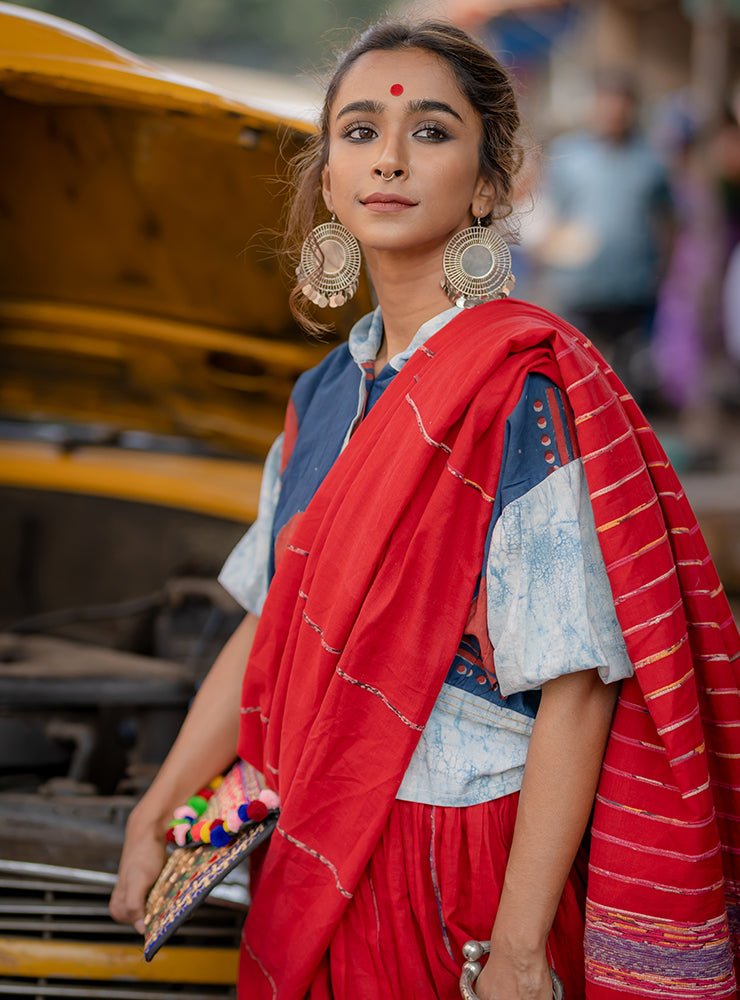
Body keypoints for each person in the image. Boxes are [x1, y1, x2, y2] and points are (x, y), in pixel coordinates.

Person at [110, 21, 740, 1000]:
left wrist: (520, 951)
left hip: (452, 859)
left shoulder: (515, 392)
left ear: (491, 184)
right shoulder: (323, 393)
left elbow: (575, 687)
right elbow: (269, 628)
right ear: (327, 180)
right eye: (358, 132)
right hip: (309, 829)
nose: (389, 157)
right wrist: (156, 812)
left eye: (431, 132)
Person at [538, 71, 674, 403]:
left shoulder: (650, 161)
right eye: (607, 103)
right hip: (581, 287)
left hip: (633, 287)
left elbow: (666, 221)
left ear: (632, 108)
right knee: (581, 379)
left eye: (621, 104)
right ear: (596, 106)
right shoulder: (568, 156)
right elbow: (551, 216)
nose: (614, 112)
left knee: (628, 384)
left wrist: (662, 271)